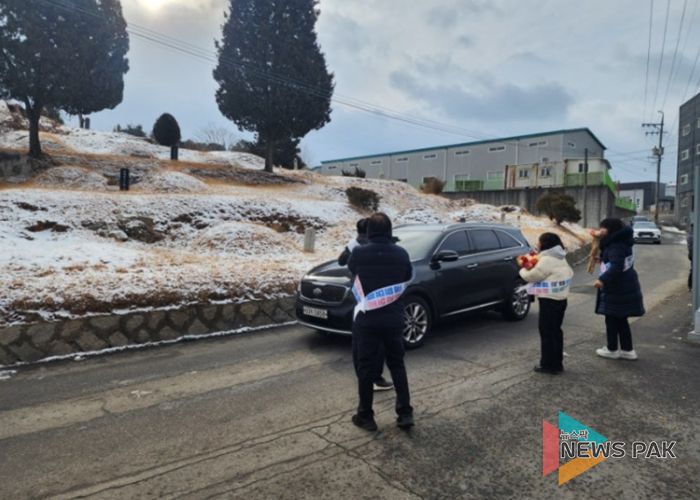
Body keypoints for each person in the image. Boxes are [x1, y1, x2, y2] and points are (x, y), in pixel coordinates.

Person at [348, 213, 414, 431]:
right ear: (389, 231)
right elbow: (407, 274)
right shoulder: (401, 253)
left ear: (369, 232)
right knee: (397, 365)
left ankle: (366, 416)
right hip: (393, 318)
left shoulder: (359, 253)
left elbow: (351, 269)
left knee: (366, 368)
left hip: (367, 319)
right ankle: (405, 413)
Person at [338, 219, 394, 392]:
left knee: (359, 342)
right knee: (378, 342)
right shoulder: (378, 246)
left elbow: (342, 262)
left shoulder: (354, 246)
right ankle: (375, 378)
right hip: (378, 297)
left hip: (359, 296)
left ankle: (364, 378)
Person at [519, 233, 574, 374]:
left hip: (549, 301)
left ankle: (548, 365)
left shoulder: (547, 259)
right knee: (556, 331)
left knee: (547, 332)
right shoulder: (561, 256)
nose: (537, 243)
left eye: (539, 241)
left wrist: (522, 269)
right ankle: (557, 363)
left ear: (545, 243)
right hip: (561, 299)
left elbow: (532, 276)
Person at [593, 218, 645, 360]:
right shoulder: (622, 241)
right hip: (625, 285)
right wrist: (602, 260)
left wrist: (602, 280)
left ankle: (612, 349)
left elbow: (616, 266)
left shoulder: (615, 245)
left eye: (604, 227)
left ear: (611, 229)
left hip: (617, 288)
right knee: (621, 319)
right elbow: (617, 262)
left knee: (611, 319)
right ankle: (628, 350)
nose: (601, 230)